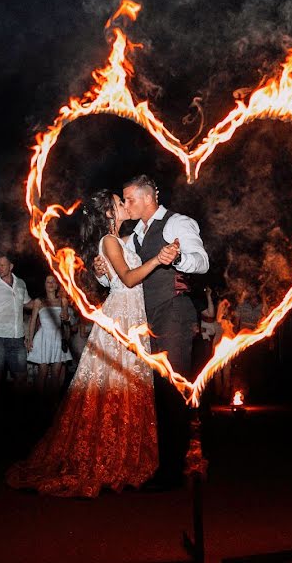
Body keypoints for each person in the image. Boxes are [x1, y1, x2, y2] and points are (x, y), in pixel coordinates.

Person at [6, 189, 180, 497]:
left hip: (133, 317)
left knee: (128, 385)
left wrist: (105, 272)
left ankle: (126, 456)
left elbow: (111, 274)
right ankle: (110, 458)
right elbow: (127, 279)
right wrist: (157, 259)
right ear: (110, 213)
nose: (125, 204)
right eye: (119, 202)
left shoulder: (121, 240)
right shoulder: (110, 241)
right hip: (121, 319)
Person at [96, 174, 209, 490]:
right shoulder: (133, 236)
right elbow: (125, 276)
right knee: (157, 393)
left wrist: (180, 258)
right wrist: (102, 273)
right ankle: (166, 462)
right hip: (145, 320)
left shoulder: (176, 223)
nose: (125, 205)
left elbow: (202, 261)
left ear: (148, 198)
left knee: (174, 389)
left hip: (173, 312)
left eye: (129, 199)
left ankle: (179, 467)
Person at [0, 253, 32, 408]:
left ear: (11, 266)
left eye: (2, 265)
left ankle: (16, 407)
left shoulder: (21, 283)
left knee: (21, 375)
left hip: (17, 337)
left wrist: (43, 303)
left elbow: (27, 303)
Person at [26, 275, 72, 400]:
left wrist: (66, 317)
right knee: (43, 372)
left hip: (58, 338)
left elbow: (67, 320)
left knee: (56, 374)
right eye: (48, 282)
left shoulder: (63, 301)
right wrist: (30, 339)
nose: (51, 284)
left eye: (53, 282)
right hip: (43, 337)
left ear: (57, 285)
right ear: (45, 285)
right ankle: (41, 402)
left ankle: (53, 402)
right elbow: (33, 321)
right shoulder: (38, 301)